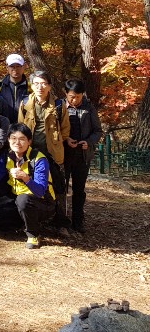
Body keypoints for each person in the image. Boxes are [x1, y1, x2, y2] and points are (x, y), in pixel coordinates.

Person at [0, 123, 56, 249]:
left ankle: (33, 234)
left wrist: (26, 178)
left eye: (22, 139)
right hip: (17, 198)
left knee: (24, 200)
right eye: (13, 138)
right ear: (8, 140)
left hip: (43, 202)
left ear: (29, 141)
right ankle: (20, 224)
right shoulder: (7, 156)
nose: (17, 142)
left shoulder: (39, 159)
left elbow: (40, 191)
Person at [18, 70, 71, 229]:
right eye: (36, 83)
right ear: (31, 85)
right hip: (31, 152)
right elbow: (20, 128)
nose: (40, 87)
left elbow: (65, 130)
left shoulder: (59, 105)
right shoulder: (25, 103)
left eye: (43, 84)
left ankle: (60, 221)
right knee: (30, 184)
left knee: (58, 186)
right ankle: (32, 220)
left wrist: (55, 142)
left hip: (52, 153)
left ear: (49, 86)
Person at [63, 78, 103, 233]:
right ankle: (61, 219)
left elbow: (97, 131)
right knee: (61, 188)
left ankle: (78, 221)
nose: (75, 100)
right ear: (66, 93)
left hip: (82, 155)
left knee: (79, 190)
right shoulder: (60, 106)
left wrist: (89, 142)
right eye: (72, 97)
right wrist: (66, 139)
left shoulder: (89, 108)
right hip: (64, 154)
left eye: (78, 97)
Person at [0, 53, 29, 124]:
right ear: (7, 67)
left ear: (23, 67)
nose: (15, 69)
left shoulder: (30, 87)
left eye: (18, 66)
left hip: (24, 127)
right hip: (4, 126)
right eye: (12, 66)